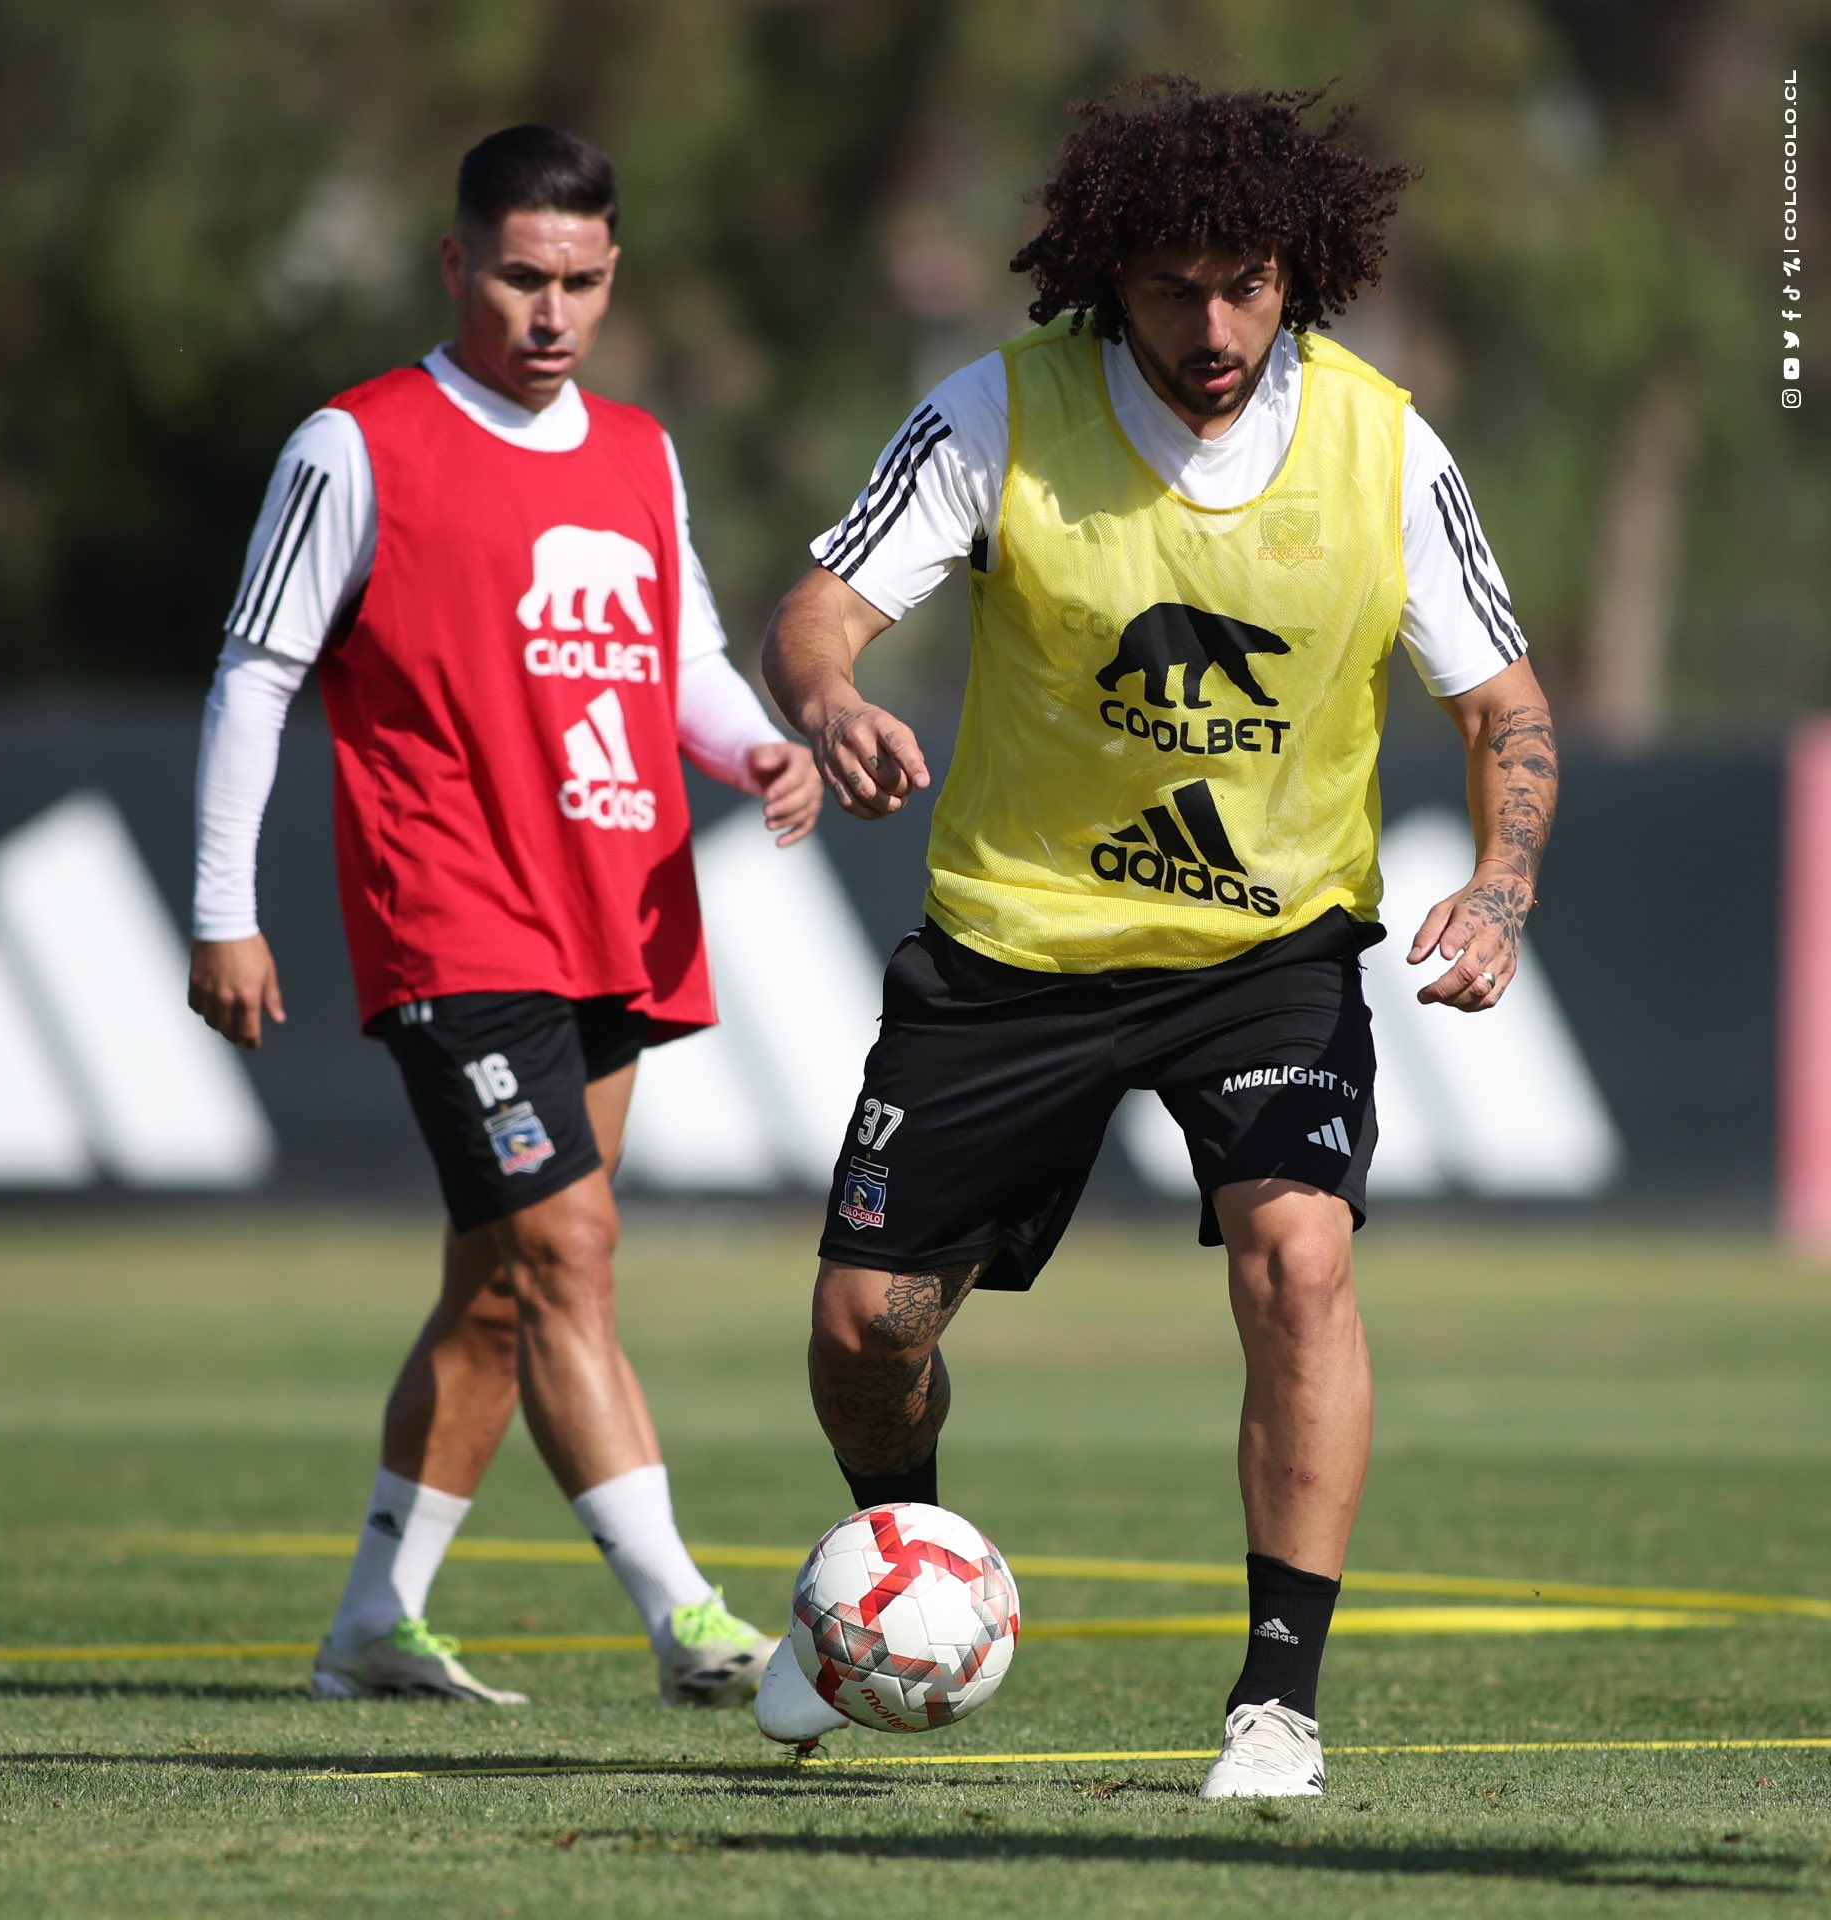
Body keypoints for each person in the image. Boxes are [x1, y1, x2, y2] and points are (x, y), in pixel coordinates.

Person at [752, 77, 1558, 1795]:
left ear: (1302, 273)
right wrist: (829, 700)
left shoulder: (1384, 443)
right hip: (1013, 951)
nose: (1214, 324)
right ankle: (897, 1575)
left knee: (1304, 1262)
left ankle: (1278, 1701)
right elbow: (821, 607)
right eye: (1177, 286)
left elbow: (1504, 704)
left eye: (1249, 284)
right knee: (866, 1334)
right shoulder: (997, 413)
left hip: (1266, 954)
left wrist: (1501, 887)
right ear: (1110, 277)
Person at [187, 125, 821, 1708]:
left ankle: (372, 1621)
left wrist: (754, 748)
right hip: (452, 918)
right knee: (571, 1250)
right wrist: (223, 909)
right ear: (456, 263)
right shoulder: (359, 444)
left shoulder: (639, 451)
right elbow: (260, 674)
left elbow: (682, 653)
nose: (553, 313)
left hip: (615, 904)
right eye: (524, 277)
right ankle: (686, 1617)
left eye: (584, 283)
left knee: (498, 1284)